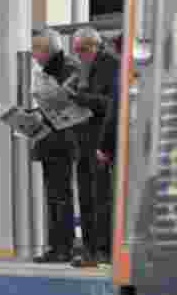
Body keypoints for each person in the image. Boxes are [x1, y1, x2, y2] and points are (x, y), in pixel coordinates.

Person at [68, 27, 120, 267]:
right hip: (83, 139)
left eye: (82, 51)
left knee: (101, 198)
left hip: (100, 140)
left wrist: (80, 98)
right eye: (76, 51)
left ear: (95, 46)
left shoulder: (110, 64)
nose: (79, 56)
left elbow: (111, 103)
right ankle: (89, 249)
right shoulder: (84, 68)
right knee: (86, 197)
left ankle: (103, 250)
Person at [30, 28, 79, 264]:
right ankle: (56, 245)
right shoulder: (47, 72)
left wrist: (44, 112)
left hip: (62, 142)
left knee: (61, 195)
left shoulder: (68, 69)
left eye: (36, 49)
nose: (33, 54)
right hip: (50, 140)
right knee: (53, 196)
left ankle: (65, 246)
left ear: (48, 49)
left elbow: (68, 105)